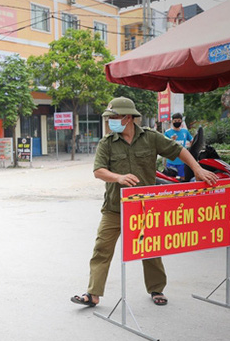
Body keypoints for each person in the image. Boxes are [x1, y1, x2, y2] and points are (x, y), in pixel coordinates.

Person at [70, 97, 218, 308]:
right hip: (114, 207)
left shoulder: (150, 138)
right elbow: (98, 171)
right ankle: (93, 294)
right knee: (102, 248)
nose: (110, 121)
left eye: (114, 117)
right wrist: (118, 177)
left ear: (128, 117)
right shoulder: (107, 143)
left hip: (144, 206)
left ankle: (157, 288)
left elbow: (179, 151)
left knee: (150, 248)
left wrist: (197, 169)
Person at [164, 113, 194, 178]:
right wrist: (171, 140)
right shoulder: (167, 132)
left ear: (181, 121)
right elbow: (163, 145)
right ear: (172, 121)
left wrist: (190, 150)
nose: (177, 122)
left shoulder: (185, 132)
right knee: (171, 179)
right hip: (171, 161)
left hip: (182, 161)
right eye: (175, 121)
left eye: (179, 121)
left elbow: (192, 140)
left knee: (183, 179)